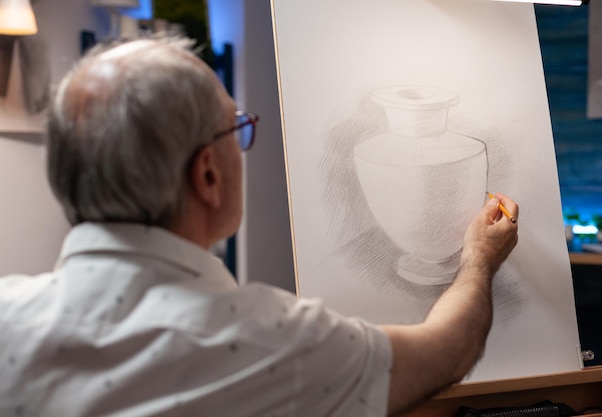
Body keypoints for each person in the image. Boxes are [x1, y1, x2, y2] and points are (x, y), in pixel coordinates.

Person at [0, 37, 519, 417]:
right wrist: (478, 259)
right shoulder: (276, 341)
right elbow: (445, 350)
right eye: (237, 128)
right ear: (207, 173)